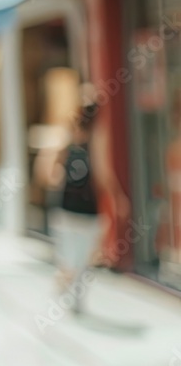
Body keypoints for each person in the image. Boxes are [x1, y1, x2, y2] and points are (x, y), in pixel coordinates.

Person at [36, 102, 122, 314]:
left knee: (69, 259)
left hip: (64, 208)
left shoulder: (64, 139)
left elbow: (44, 172)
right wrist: (118, 198)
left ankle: (67, 289)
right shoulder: (97, 140)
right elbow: (102, 175)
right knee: (83, 259)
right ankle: (76, 301)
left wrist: (58, 177)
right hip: (88, 210)